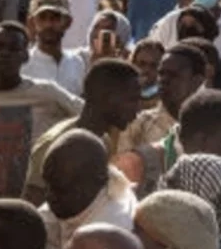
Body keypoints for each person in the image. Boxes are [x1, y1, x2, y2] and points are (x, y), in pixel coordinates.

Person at [0, 22, 81, 198]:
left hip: (28, 200)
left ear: (26, 56)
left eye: (13, 48)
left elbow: (88, 114)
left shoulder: (46, 93)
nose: (5, 53)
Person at [23, 58, 144, 204]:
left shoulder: (103, 140)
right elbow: (35, 204)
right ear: (106, 98)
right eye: (132, 99)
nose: (138, 108)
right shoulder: (55, 145)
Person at [21, 0, 85, 94]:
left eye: (55, 17)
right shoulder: (23, 65)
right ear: (32, 23)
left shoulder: (77, 63)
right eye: (42, 18)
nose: (48, 24)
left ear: (67, 23)